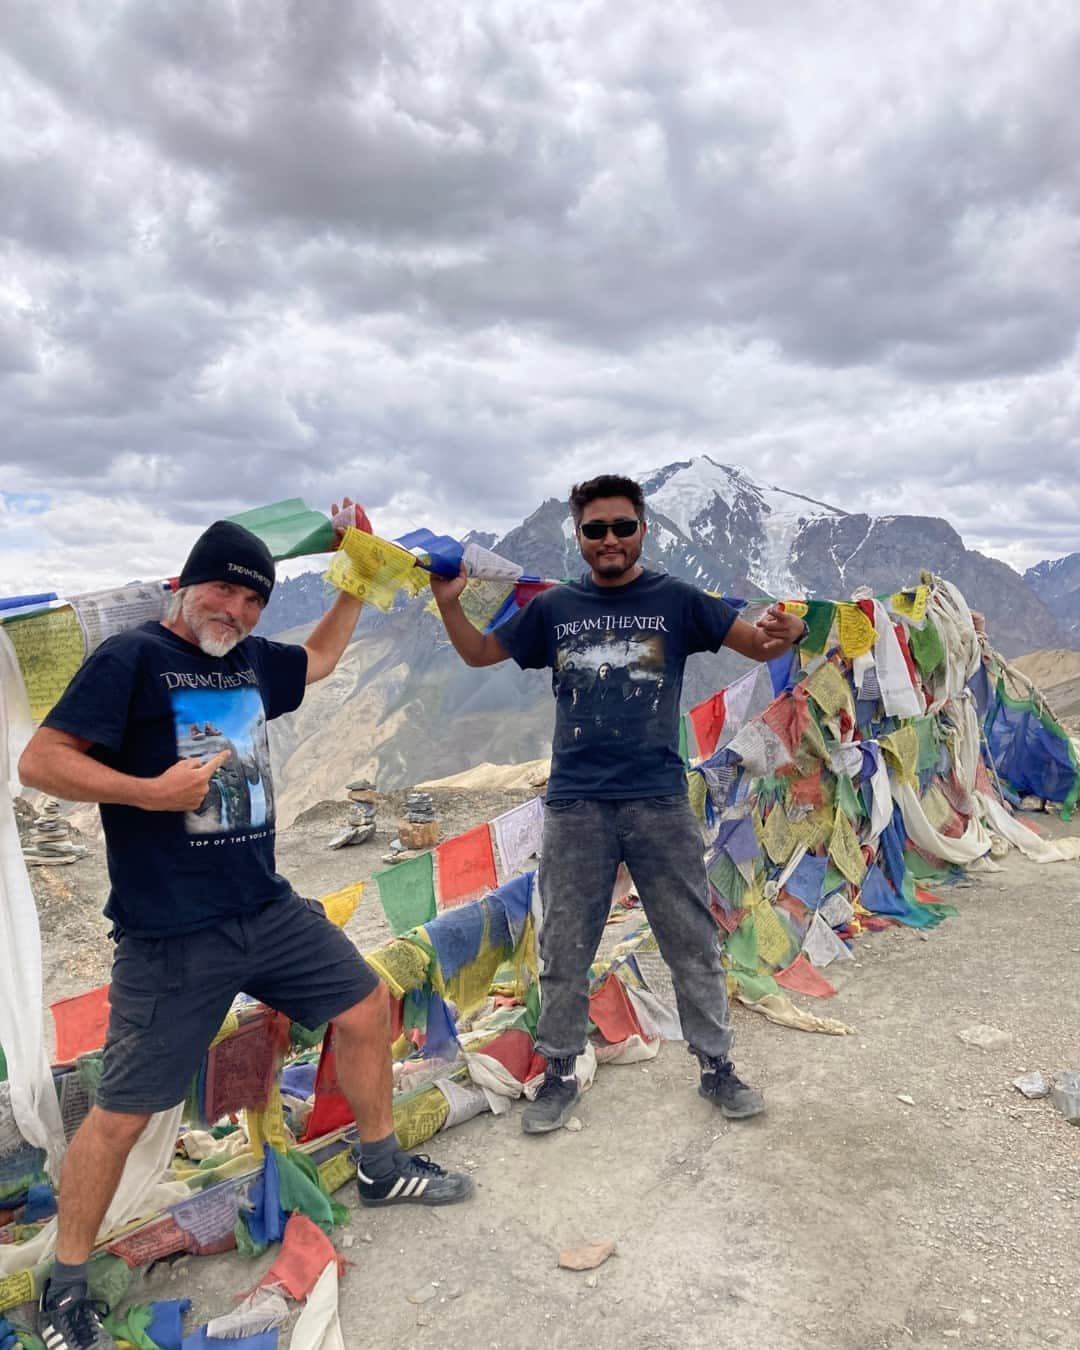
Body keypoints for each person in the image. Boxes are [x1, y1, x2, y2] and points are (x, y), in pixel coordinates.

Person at [19, 507, 471, 1350]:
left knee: (367, 1003)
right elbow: (40, 760)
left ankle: (380, 1166)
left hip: (265, 908)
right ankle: (68, 1286)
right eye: (226, 588)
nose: (238, 609)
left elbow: (327, 657)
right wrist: (150, 792)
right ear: (189, 584)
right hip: (171, 935)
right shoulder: (132, 659)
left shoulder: (255, 658)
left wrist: (356, 571)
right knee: (122, 1113)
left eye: (255, 598)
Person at [431, 473, 808, 1136]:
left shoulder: (678, 599)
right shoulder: (554, 608)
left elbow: (763, 642)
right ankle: (558, 1073)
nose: (609, 539)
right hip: (576, 803)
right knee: (565, 944)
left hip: (660, 797)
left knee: (688, 937)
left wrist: (793, 628)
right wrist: (448, 602)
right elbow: (481, 652)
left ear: (642, 529)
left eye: (622, 527)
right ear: (578, 535)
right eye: (595, 529)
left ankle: (717, 1066)